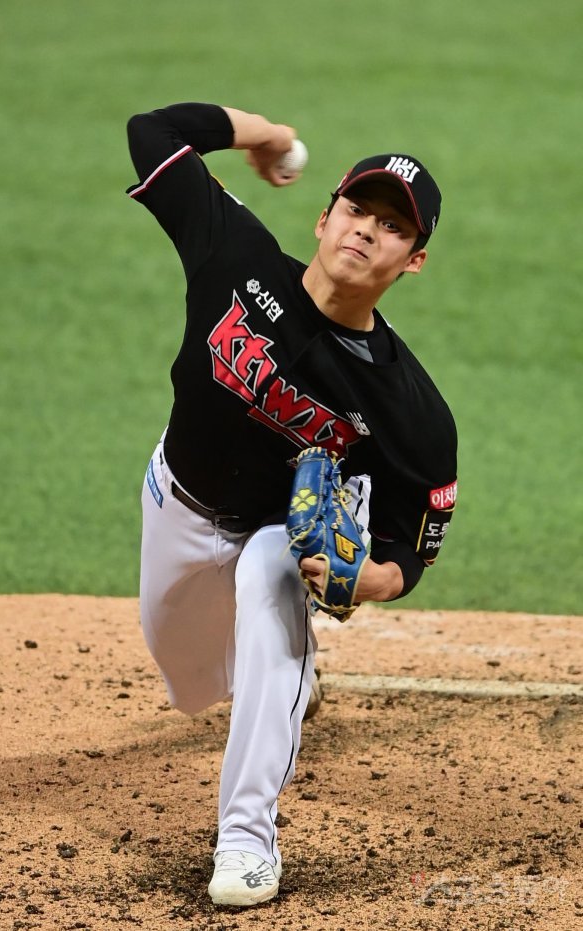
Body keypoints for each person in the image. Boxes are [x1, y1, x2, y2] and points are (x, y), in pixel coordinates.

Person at [125, 102, 457, 907]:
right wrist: (266, 135)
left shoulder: (409, 409)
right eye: (357, 209)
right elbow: (151, 132)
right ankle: (288, 679)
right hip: (177, 501)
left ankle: (247, 838)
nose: (367, 230)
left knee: (273, 570)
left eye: (393, 227)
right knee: (191, 683)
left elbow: (416, 536)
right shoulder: (235, 255)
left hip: (275, 533)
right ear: (324, 217)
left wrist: (376, 579)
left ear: (413, 260)